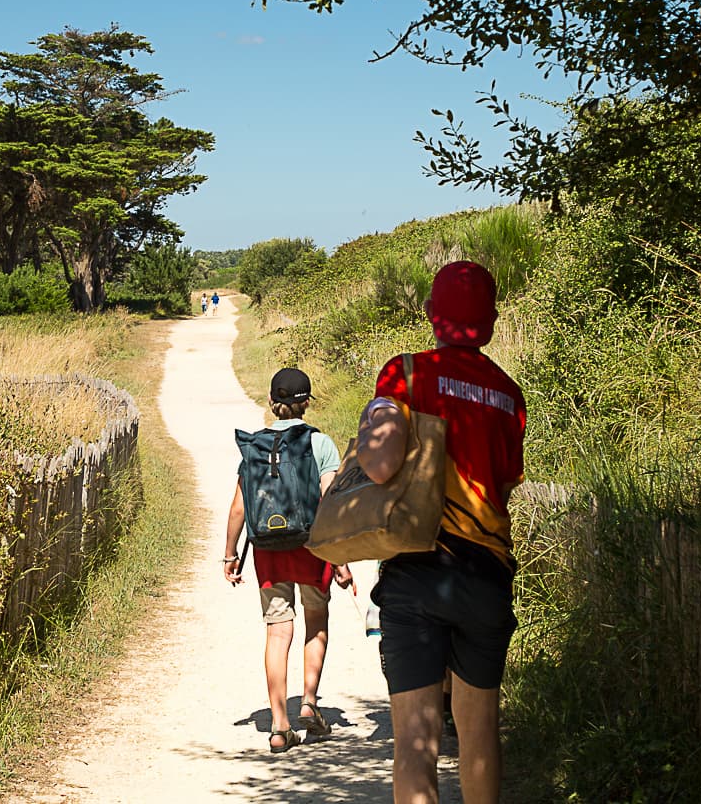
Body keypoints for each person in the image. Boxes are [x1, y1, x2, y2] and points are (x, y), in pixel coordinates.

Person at [355, 260, 525, 804]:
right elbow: (507, 480)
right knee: (478, 734)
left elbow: (379, 466)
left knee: (415, 743)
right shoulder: (509, 393)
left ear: (431, 315)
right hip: (487, 577)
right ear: (492, 322)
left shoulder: (404, 373)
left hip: (418, 572)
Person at [223, 367, 353, 752]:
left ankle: (280, 725)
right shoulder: (320, 443)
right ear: (307, 402)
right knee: (316, 620)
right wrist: (341, 558)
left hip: (268, 549)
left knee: (278, 631)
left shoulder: (255, 446)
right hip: (313, 547)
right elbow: (331, 503)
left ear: (271, 402)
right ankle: (309, 704)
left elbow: (237, 509)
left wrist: (230, 554)